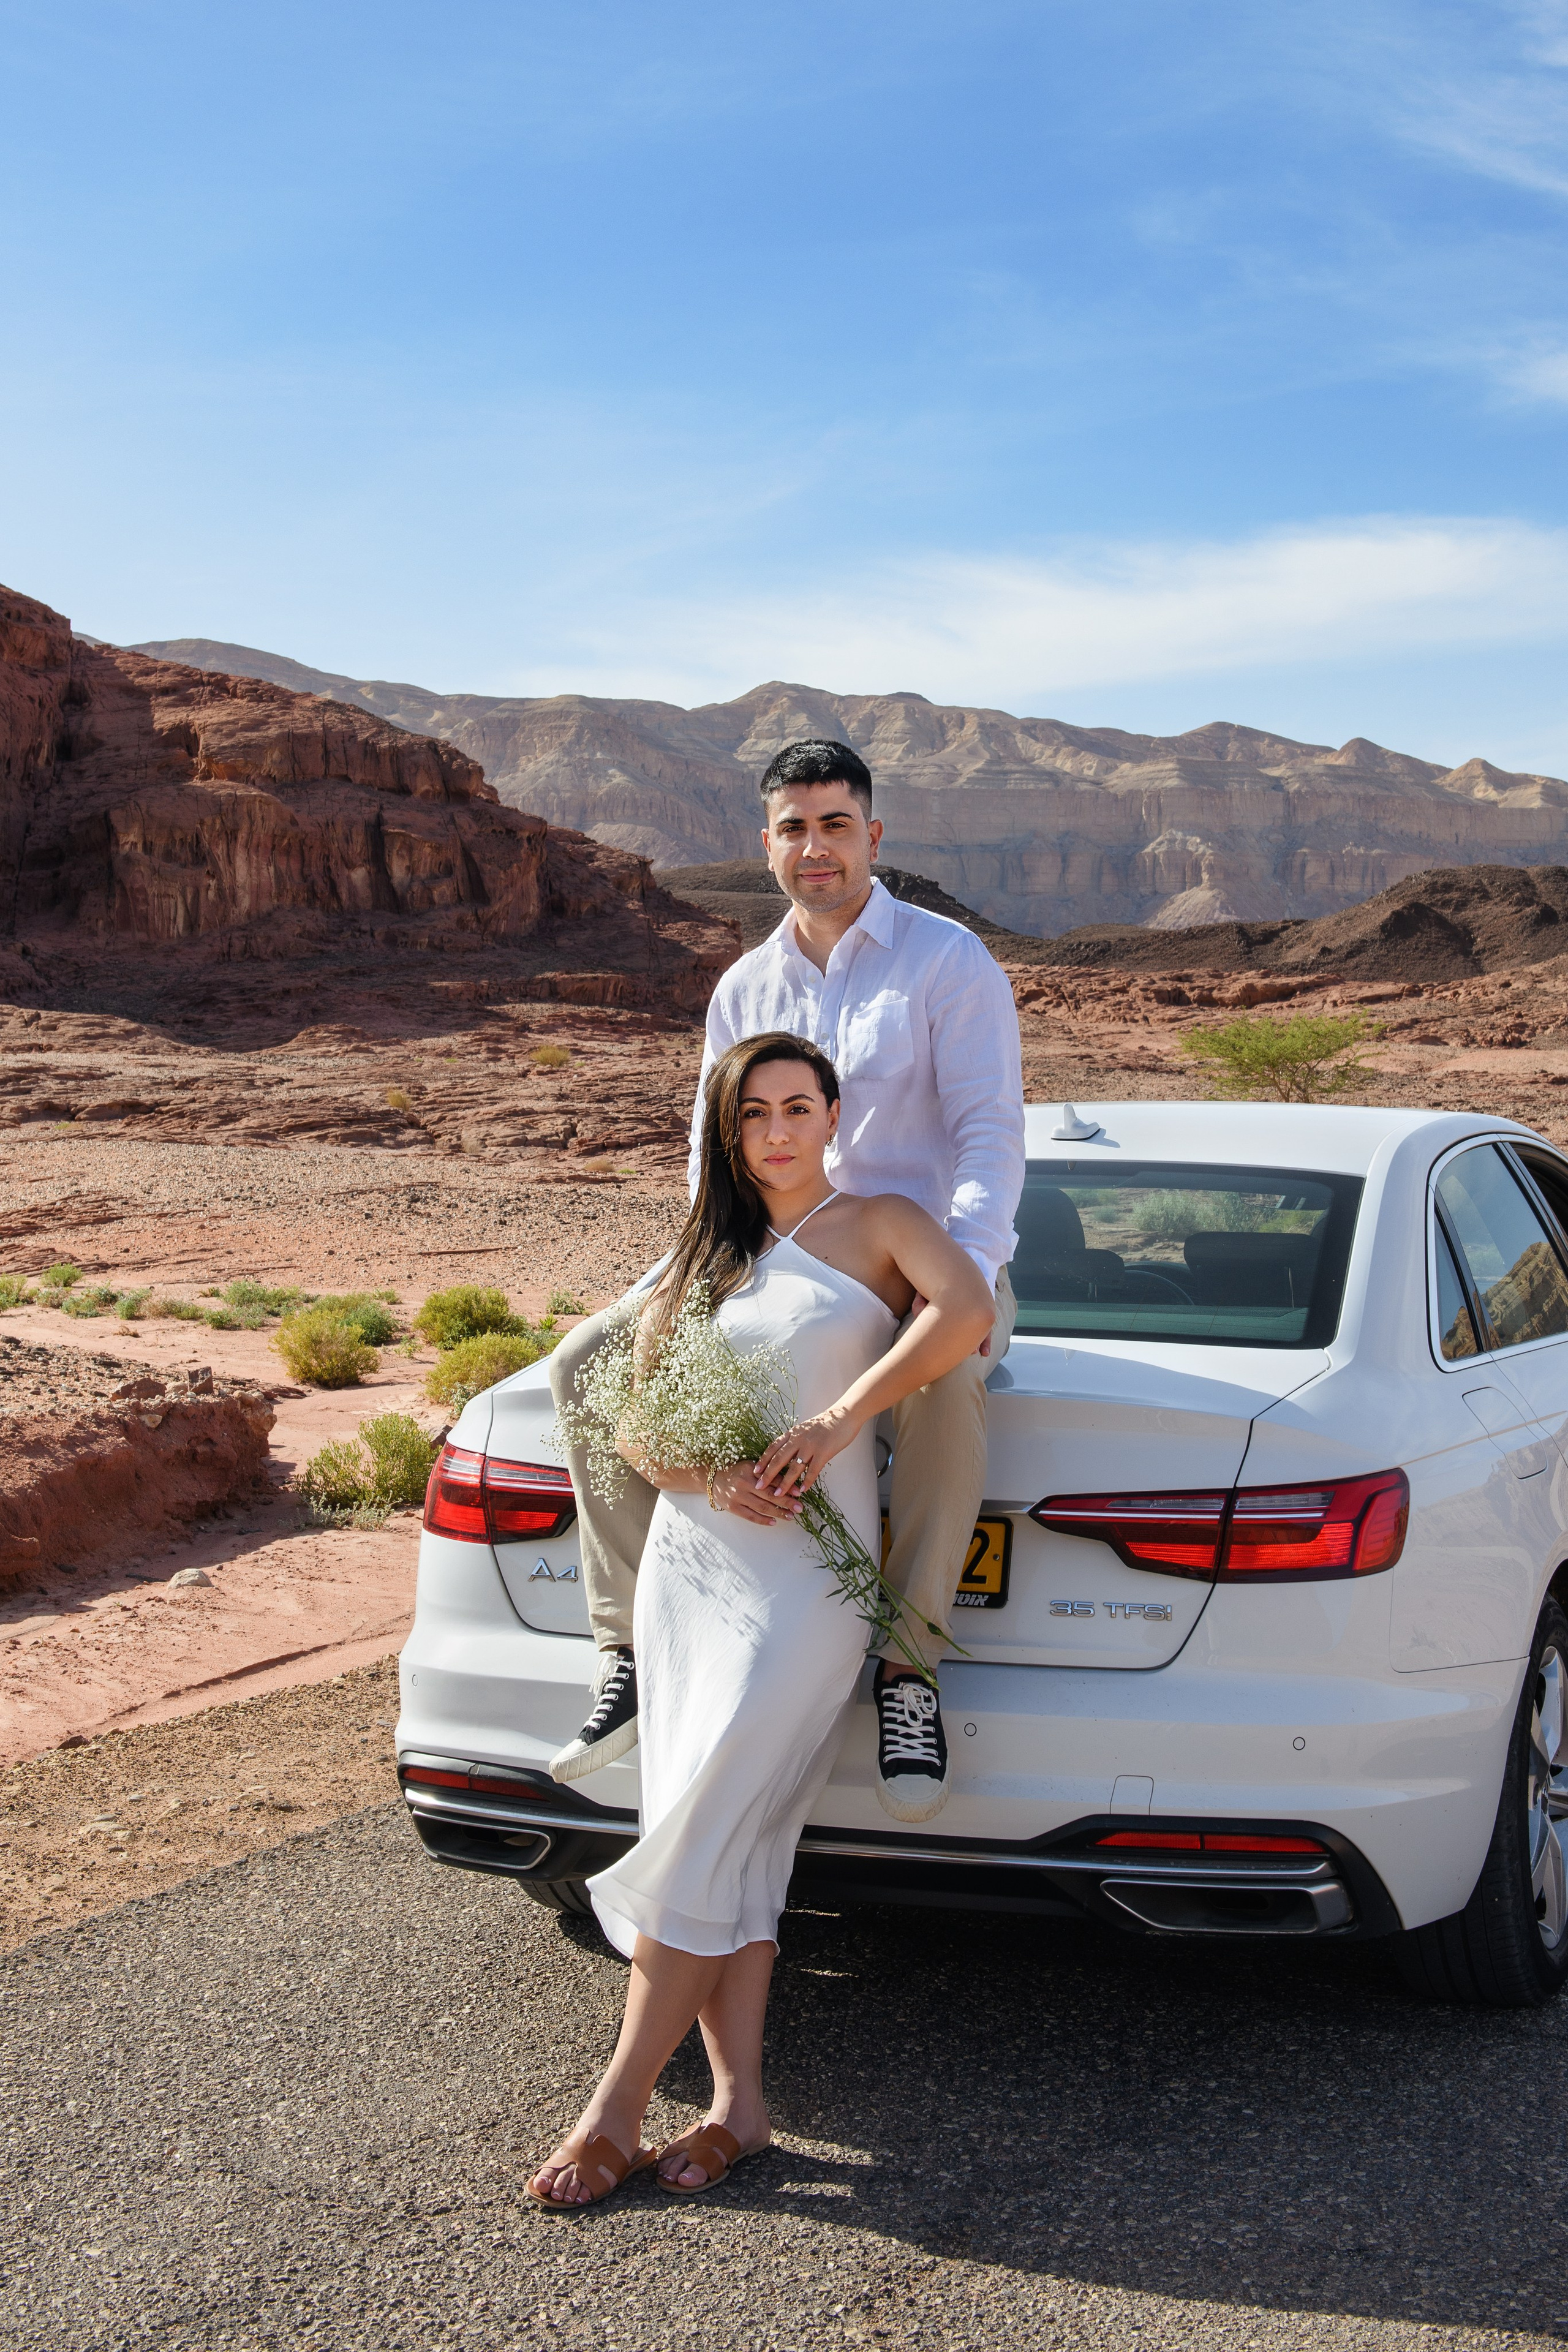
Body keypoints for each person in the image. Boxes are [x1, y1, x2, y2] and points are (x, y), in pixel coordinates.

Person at [526, 1032, 995, 2211]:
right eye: (752, 1116)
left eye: (797, 1107)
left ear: (836, 1115)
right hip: (694, 1575)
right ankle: (739, 2104)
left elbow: (966, 1311)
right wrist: (704, 1476)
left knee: (700, 1829)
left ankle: (614, 2108)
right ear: (726, 1133)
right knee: (735, 1839)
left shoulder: (886, 1223)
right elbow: (633, 1429)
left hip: (810, 1592)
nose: (777, 1133)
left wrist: (838, 1420)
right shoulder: (703, 1252)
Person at [549, 737, 1025, 1820]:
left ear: (874, 836)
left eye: (837, 825)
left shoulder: (949, 963)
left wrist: (966, 1284)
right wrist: (697, 1276)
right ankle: (628, 1652)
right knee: (587, 1365)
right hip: (763, 1254)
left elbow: (991, 1134)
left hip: (911, 1262)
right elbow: (710, 1149)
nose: (817, 848)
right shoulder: (745, 986)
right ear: (766, 845)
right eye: (796, 828)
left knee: (948, 1382)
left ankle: (908, 1670)